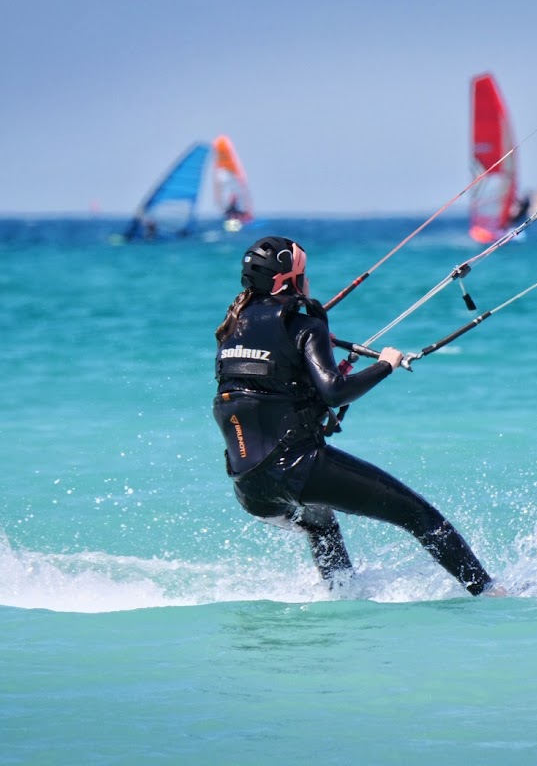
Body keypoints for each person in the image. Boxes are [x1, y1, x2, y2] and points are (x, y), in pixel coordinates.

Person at [212, 235, 500, 596]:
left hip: (249, 487)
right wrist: (385, 365)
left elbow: (270, 391)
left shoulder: (230, 331)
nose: (309, 281)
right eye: (305, 273)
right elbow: (334, 390)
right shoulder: (304, 328)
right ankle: (489, 592)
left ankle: (342, 594)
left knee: (321, 523)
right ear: (289, 280)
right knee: (419, 516)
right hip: (297, 469)